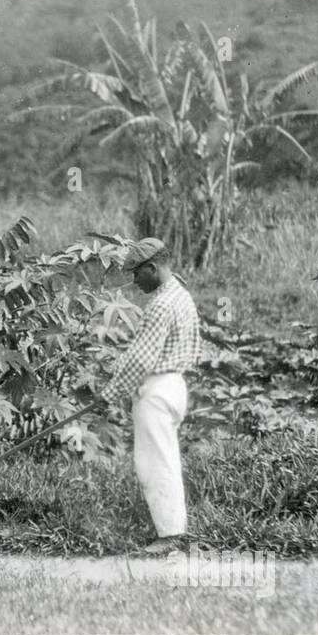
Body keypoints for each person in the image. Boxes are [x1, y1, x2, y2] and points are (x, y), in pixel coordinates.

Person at [97, 238, 202, 555]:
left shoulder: (160, 305)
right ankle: (174, 531)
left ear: (152, 268)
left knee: (154, 463)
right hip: (174, 385)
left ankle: (170, 536)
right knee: (166, 459)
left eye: (136, 273)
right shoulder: (180, 295)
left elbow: (141, 359)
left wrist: (111, 394)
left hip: (156, 389)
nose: (134, 280)